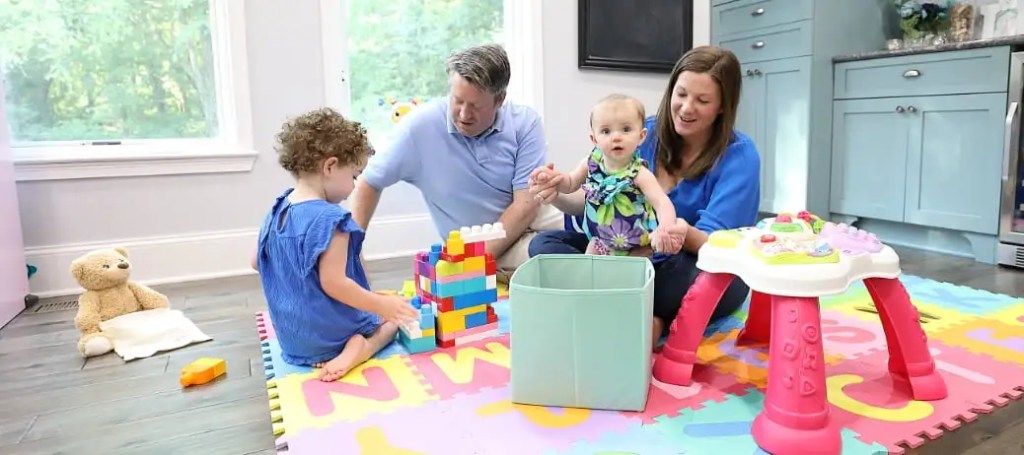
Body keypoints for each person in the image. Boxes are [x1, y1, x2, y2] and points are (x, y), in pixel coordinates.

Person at [528, 46, 761, 348]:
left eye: (702, 100)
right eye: (681, 94)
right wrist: (556, 192)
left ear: (722, 107)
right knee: (544, 247)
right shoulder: (642, 133)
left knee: (697, 282)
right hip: (621, 256)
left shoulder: (739, 156)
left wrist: (675, 232)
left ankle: (639, 314)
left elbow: (719, 247)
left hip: (687, 263)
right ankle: (636, 312)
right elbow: (593, 198)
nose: (687, 108)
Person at [349, 43, 563, 278]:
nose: (463, 114)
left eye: (475, 106)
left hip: (535, 214)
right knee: (558, 260)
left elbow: (526, 205)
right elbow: (369, 181)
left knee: (597, 230)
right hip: (490, 244)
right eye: (458, 100)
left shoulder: (525, 122)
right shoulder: (420, 128)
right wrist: (352, 250)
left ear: (500, 99)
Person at [251, 107, 419, 382]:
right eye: (354, 175)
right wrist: (380, 305)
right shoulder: (332, 219)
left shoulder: (277, 209)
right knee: (394, 319)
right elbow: (335, 283)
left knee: (382, 307)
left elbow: (257, 262)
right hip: (331, 338)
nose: (354, 186)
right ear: (330, 166)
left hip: (293, 343)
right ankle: (363, 348)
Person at [539, 93, 681, 256]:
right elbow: (570, 183)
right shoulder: (591, 162)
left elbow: (662, 202)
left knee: (631, 278)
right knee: (589, 270)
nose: (616, 137)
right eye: (606, 131)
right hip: (599, 241)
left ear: (641, 136)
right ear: (594, 139)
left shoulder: (639, 173)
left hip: (635, 246)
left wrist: (665, 227)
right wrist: (554, 180)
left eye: (626, 129)